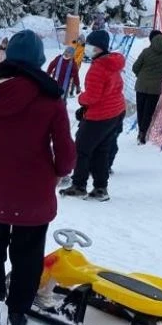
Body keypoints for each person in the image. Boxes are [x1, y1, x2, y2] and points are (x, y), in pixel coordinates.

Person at [0, 30, 76, 325]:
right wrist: (58, 171)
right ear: (39, 60)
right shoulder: (51, 97)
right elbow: (66, 155)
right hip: (35, 191)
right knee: (28, 253)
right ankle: (17, 312)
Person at [60, 29, 126, 201]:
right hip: (115, 112)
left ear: (98, 47)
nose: (86, 48)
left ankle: (79, 185)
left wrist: (81, 99)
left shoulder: (99, 67)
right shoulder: (113, 63)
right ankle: (100, 188)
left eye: (89, 45)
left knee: (82, 149)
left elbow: (92, 96)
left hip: (99, 116)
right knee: (101, 150)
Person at [131, 29, 162, 144]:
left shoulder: (146, 52)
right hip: (155, 88)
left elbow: (135, 67)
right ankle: (143, 132)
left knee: (141, 110)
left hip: (141, 86)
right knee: (148, 112)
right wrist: (161, 77)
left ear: (151, 40)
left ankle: (140, 132)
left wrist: (140, 75)